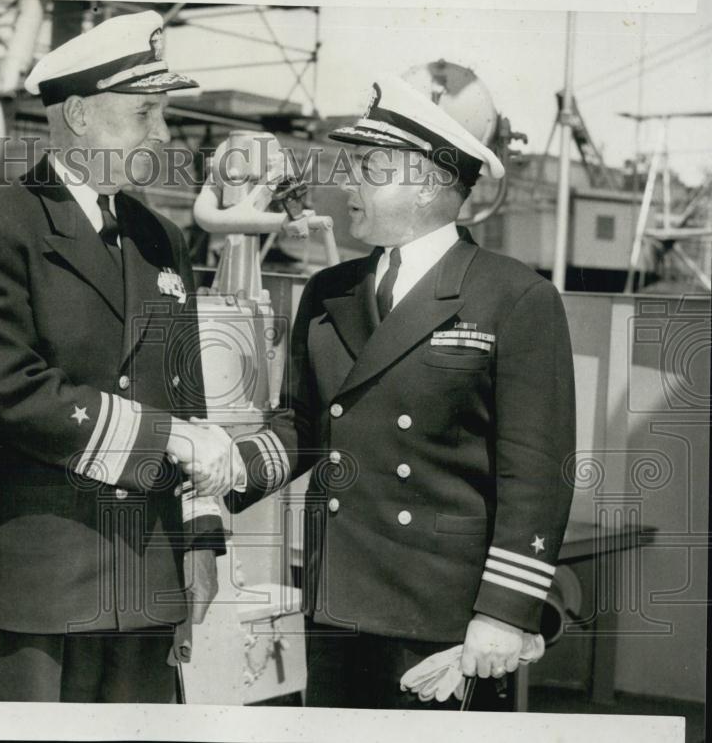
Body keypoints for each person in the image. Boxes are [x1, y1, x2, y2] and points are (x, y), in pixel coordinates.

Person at [226, 73, 576, 709]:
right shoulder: (328, 292)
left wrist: (503, 613)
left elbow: (537, 477)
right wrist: (229, 465)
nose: (347, 182)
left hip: (444, 622)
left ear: (427, 184)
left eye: (369, 167)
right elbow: (301, 427)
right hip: (337, 604)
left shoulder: (514, 298)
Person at [0, 10, 242, 703]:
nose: (163, 135)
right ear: (77, 115)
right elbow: (13, 392)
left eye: (163, 115)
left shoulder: (162, 238)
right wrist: (170, 439)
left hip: (147, 577)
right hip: (39, 582)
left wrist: (200, 545)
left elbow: (185, 397)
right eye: (144, 113)